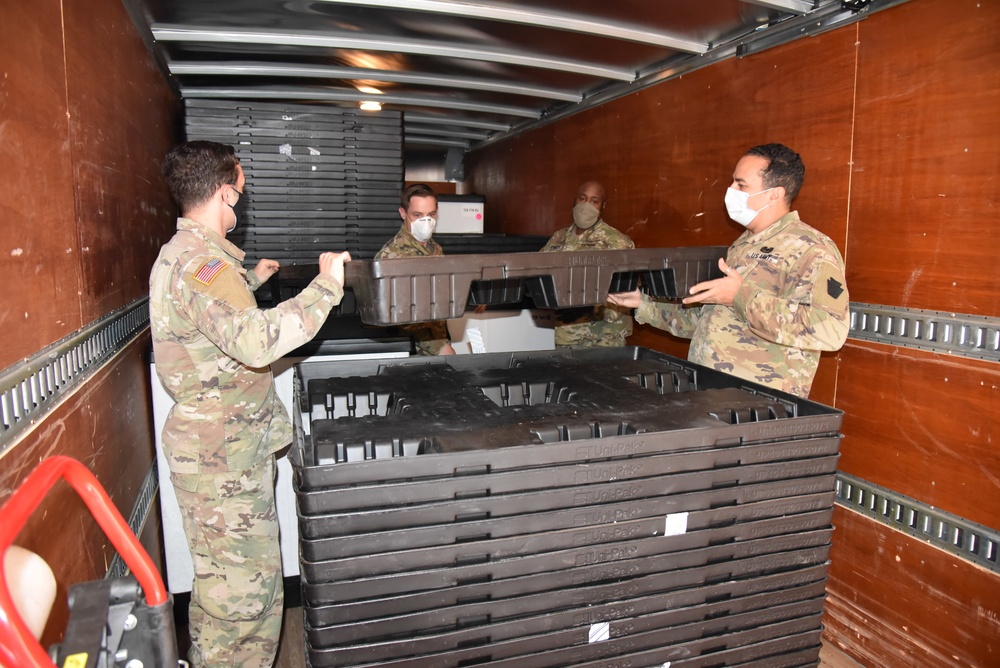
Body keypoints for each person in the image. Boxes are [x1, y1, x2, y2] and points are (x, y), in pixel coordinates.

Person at [149, 140, 351, 668]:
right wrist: (325, 286)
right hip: (222, 460)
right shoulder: (197, 263)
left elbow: (211, 330)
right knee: (240, 601)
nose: (240, 204)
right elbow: (254, 341)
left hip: (230, 449)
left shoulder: (201, 260)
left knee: (237, 588)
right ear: (222, 193)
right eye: (238, 193)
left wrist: (252, 280)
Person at [607, 144, 849, 398]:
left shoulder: (810, 247)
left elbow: (830, 330)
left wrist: (740, 296)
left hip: (758, 405)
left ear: (774, 194)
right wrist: (642, 304)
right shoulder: (742, 245)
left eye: (741, 185)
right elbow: (708, 322)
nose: (730, 191)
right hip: (708, 393)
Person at [541, 180, 635, 347]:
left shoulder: (617, 243)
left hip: (602, 339)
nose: (586, 205)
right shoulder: (559, 238)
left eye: (594, 201)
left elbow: (625, 292)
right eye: (582, 198)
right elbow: (535, 272)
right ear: (574, 200)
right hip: (564, 337)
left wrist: (589, 308)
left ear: (603, 206)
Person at [375, 183, 456, 355]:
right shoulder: (393, 255)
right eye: (417, 215)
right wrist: (438, 347)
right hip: (409, 349)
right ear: (403, 213)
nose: (425, 221)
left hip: (438, 338)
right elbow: (397, 315)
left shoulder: (435, 249)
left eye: (431, 214)